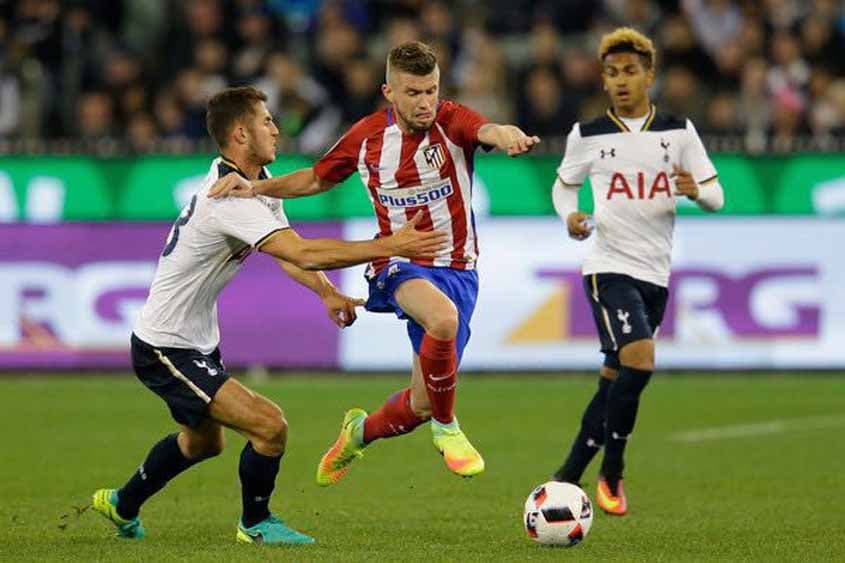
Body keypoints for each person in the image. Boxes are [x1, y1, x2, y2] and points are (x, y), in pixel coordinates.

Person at [91, 86, 446, 545]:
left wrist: (325, 293)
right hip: (166, 346)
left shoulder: (251, 181)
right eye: (266, 121)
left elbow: (285, 250)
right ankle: (255, 524)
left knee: (204, 443)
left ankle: (122, 504)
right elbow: (303, 251)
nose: (276, 128)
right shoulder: (229, 199)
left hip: (193, 341)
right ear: (241, 132)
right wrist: (390, 246)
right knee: (269, 426)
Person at [207, 41, 540, 484]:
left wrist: (509, 135)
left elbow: (490, 129)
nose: (425, 102)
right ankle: (449, 428)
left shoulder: (452, 120)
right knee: (442, 320)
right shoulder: (366, 138)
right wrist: (256, 189)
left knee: (421, 403)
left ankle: (358, 434)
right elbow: (313, 179)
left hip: (459, 268)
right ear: (389, 92)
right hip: (399, 261)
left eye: (431, 91)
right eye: (413, 93)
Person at [549, 28, 724, 516]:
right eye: (611, 73)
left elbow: (716, 196)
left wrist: (695, 191)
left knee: (614, 377)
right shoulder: (587, 135)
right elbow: (564, 187)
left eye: (630, 71)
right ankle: (613, 470)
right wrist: (570, 216)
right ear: (603, 82)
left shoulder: (678, 131)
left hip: (656, 274)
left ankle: (566, 475)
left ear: (650, 74)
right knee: (641, 359)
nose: (621, 81)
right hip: (608, 266)